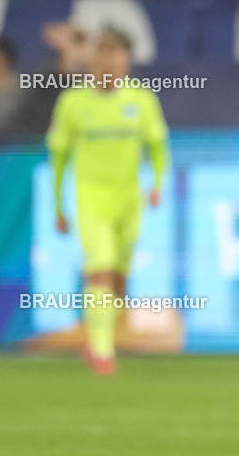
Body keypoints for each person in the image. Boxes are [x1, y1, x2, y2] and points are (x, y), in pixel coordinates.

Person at [48, 28, 168, 375]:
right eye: (104, 54)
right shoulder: (73, 103)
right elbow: (58, 156)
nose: (110, 62)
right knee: (98, 267)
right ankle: (101, 350)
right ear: (94, 60)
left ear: (126, 61)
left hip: (129, 200)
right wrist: (58, 204)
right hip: (91, 199)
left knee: (118, 276)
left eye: (117, 54)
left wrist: (158, 184)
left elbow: (159, 148)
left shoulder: (142, 100)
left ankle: (103, 336)